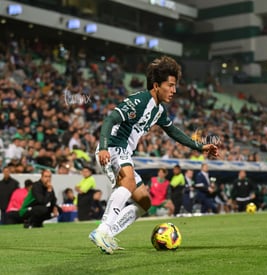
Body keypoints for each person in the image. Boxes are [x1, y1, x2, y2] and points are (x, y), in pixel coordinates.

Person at [90, 56, 219, 254]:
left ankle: (109, 234)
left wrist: (199, 147)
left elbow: (174, 131)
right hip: (114, 147)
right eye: (170, 85)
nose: (174, 90)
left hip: (124, 152)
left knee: (144, 202)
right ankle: (102, 230)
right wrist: (105, 146)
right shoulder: (139, 101)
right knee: (129, 183)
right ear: (157, 85)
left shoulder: (159, 110)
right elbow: (110, 119)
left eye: (175, 86)